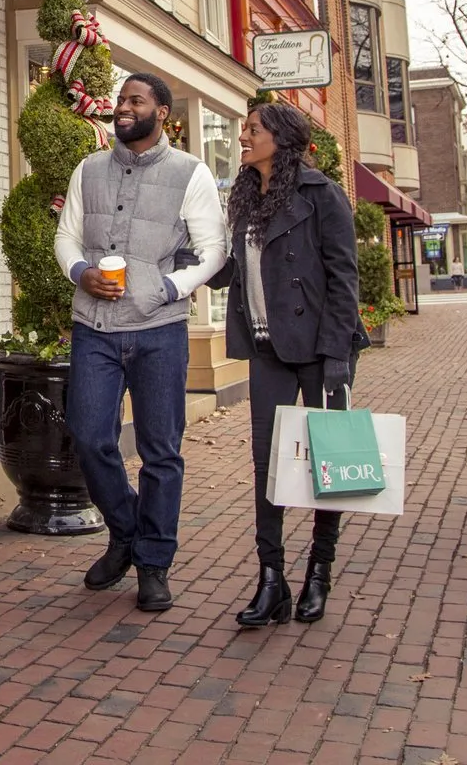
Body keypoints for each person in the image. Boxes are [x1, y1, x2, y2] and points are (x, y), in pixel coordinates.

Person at [54, 72, 228, 612]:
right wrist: (81, 271)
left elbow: (212, 250)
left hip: (159, 331)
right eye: (121, 99)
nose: (123, 107)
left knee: (160, 451)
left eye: (136, 100)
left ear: (162, 112)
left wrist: (166, 288)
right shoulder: (89, 169)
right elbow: (66, 235)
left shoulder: (190, 173)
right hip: (95, 329)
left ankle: (153, 563)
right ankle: (126, 530)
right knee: (88, 437)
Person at [213, 101, 362, 627]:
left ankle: (318, 574)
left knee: (330, 464)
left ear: (280, 136)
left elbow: (344, 278)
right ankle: (271, 580)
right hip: (266, 348)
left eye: (252, 130)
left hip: (320, 349)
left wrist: (338, 353)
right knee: (268, 466)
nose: (242, 138)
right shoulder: (246, 198)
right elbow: (238, 269)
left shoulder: (322, 195)